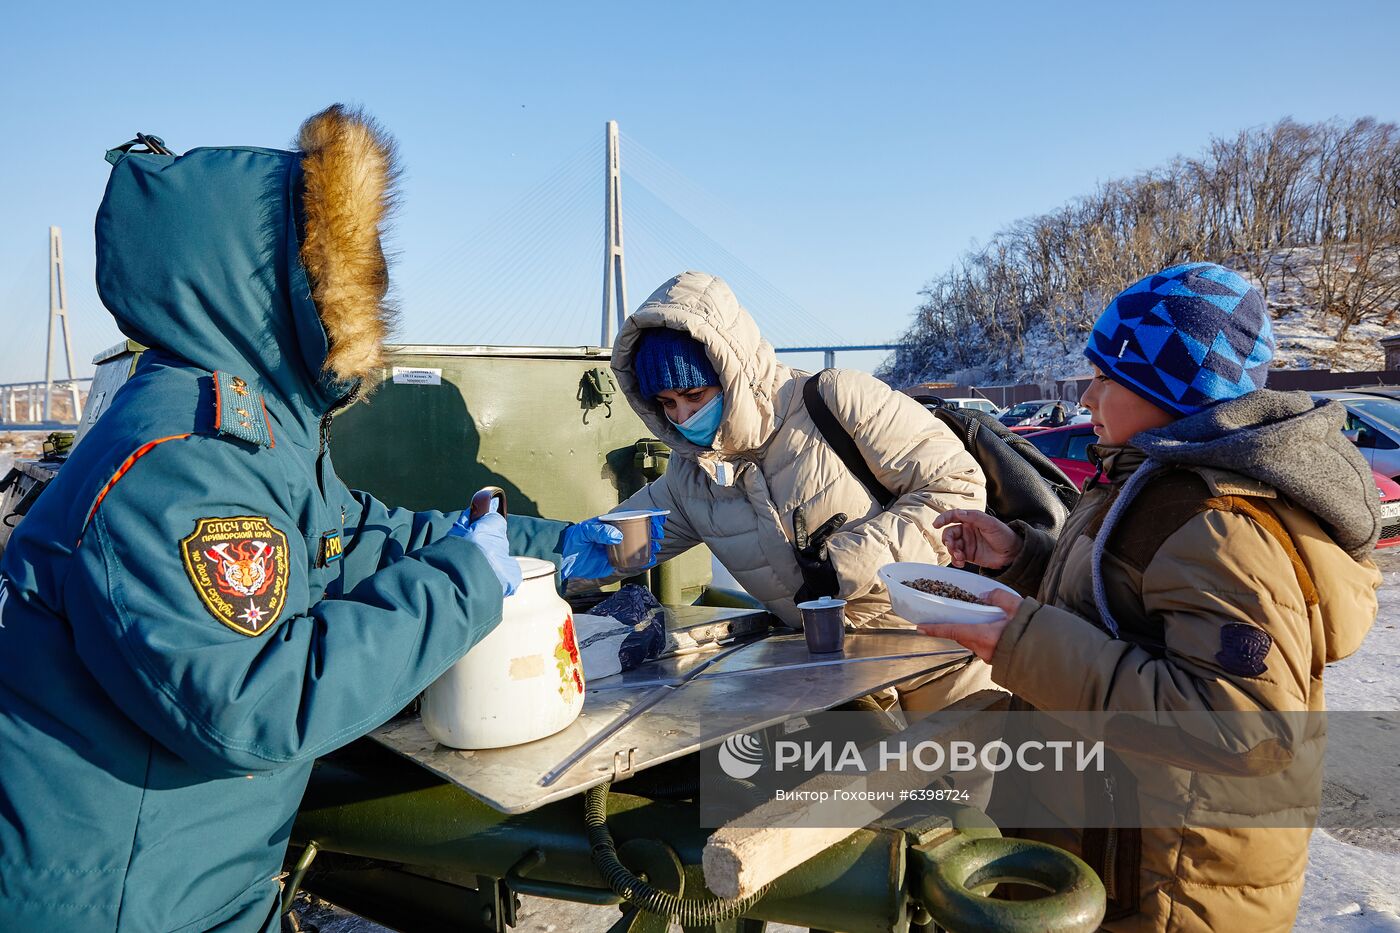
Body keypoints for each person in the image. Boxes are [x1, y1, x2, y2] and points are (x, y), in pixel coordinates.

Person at [0, 106, 643, 933]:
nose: (369, 292)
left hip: (189, 877)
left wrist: (553, 550)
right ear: (277, 285)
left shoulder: (256, 440)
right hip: (127, 903)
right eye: (346, 268)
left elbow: (368, 540)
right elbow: (253, 703)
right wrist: (463, 584)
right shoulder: (179, 465)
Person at [925, 262, 1382, 931]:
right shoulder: (1153, 479)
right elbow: (1129, 610)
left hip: (1169, 889)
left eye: (1107, 375)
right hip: (1117, 852)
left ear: (1172, 388)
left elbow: (1240, 730)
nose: (1087, 396)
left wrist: (1021, 641)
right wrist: (1024, 559)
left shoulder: (1223, 521)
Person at [592, 270, 998, 710]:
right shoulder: (690, 477)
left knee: (983, 769)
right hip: (841, 677)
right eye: (667, 404)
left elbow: (955, 488)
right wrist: (549, 566)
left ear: (733, 373)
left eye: (694, 394)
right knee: (875, 780)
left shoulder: (836, 400)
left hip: (939, 650)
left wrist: (843, 564)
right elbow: (616, 543)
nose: (684, 416)